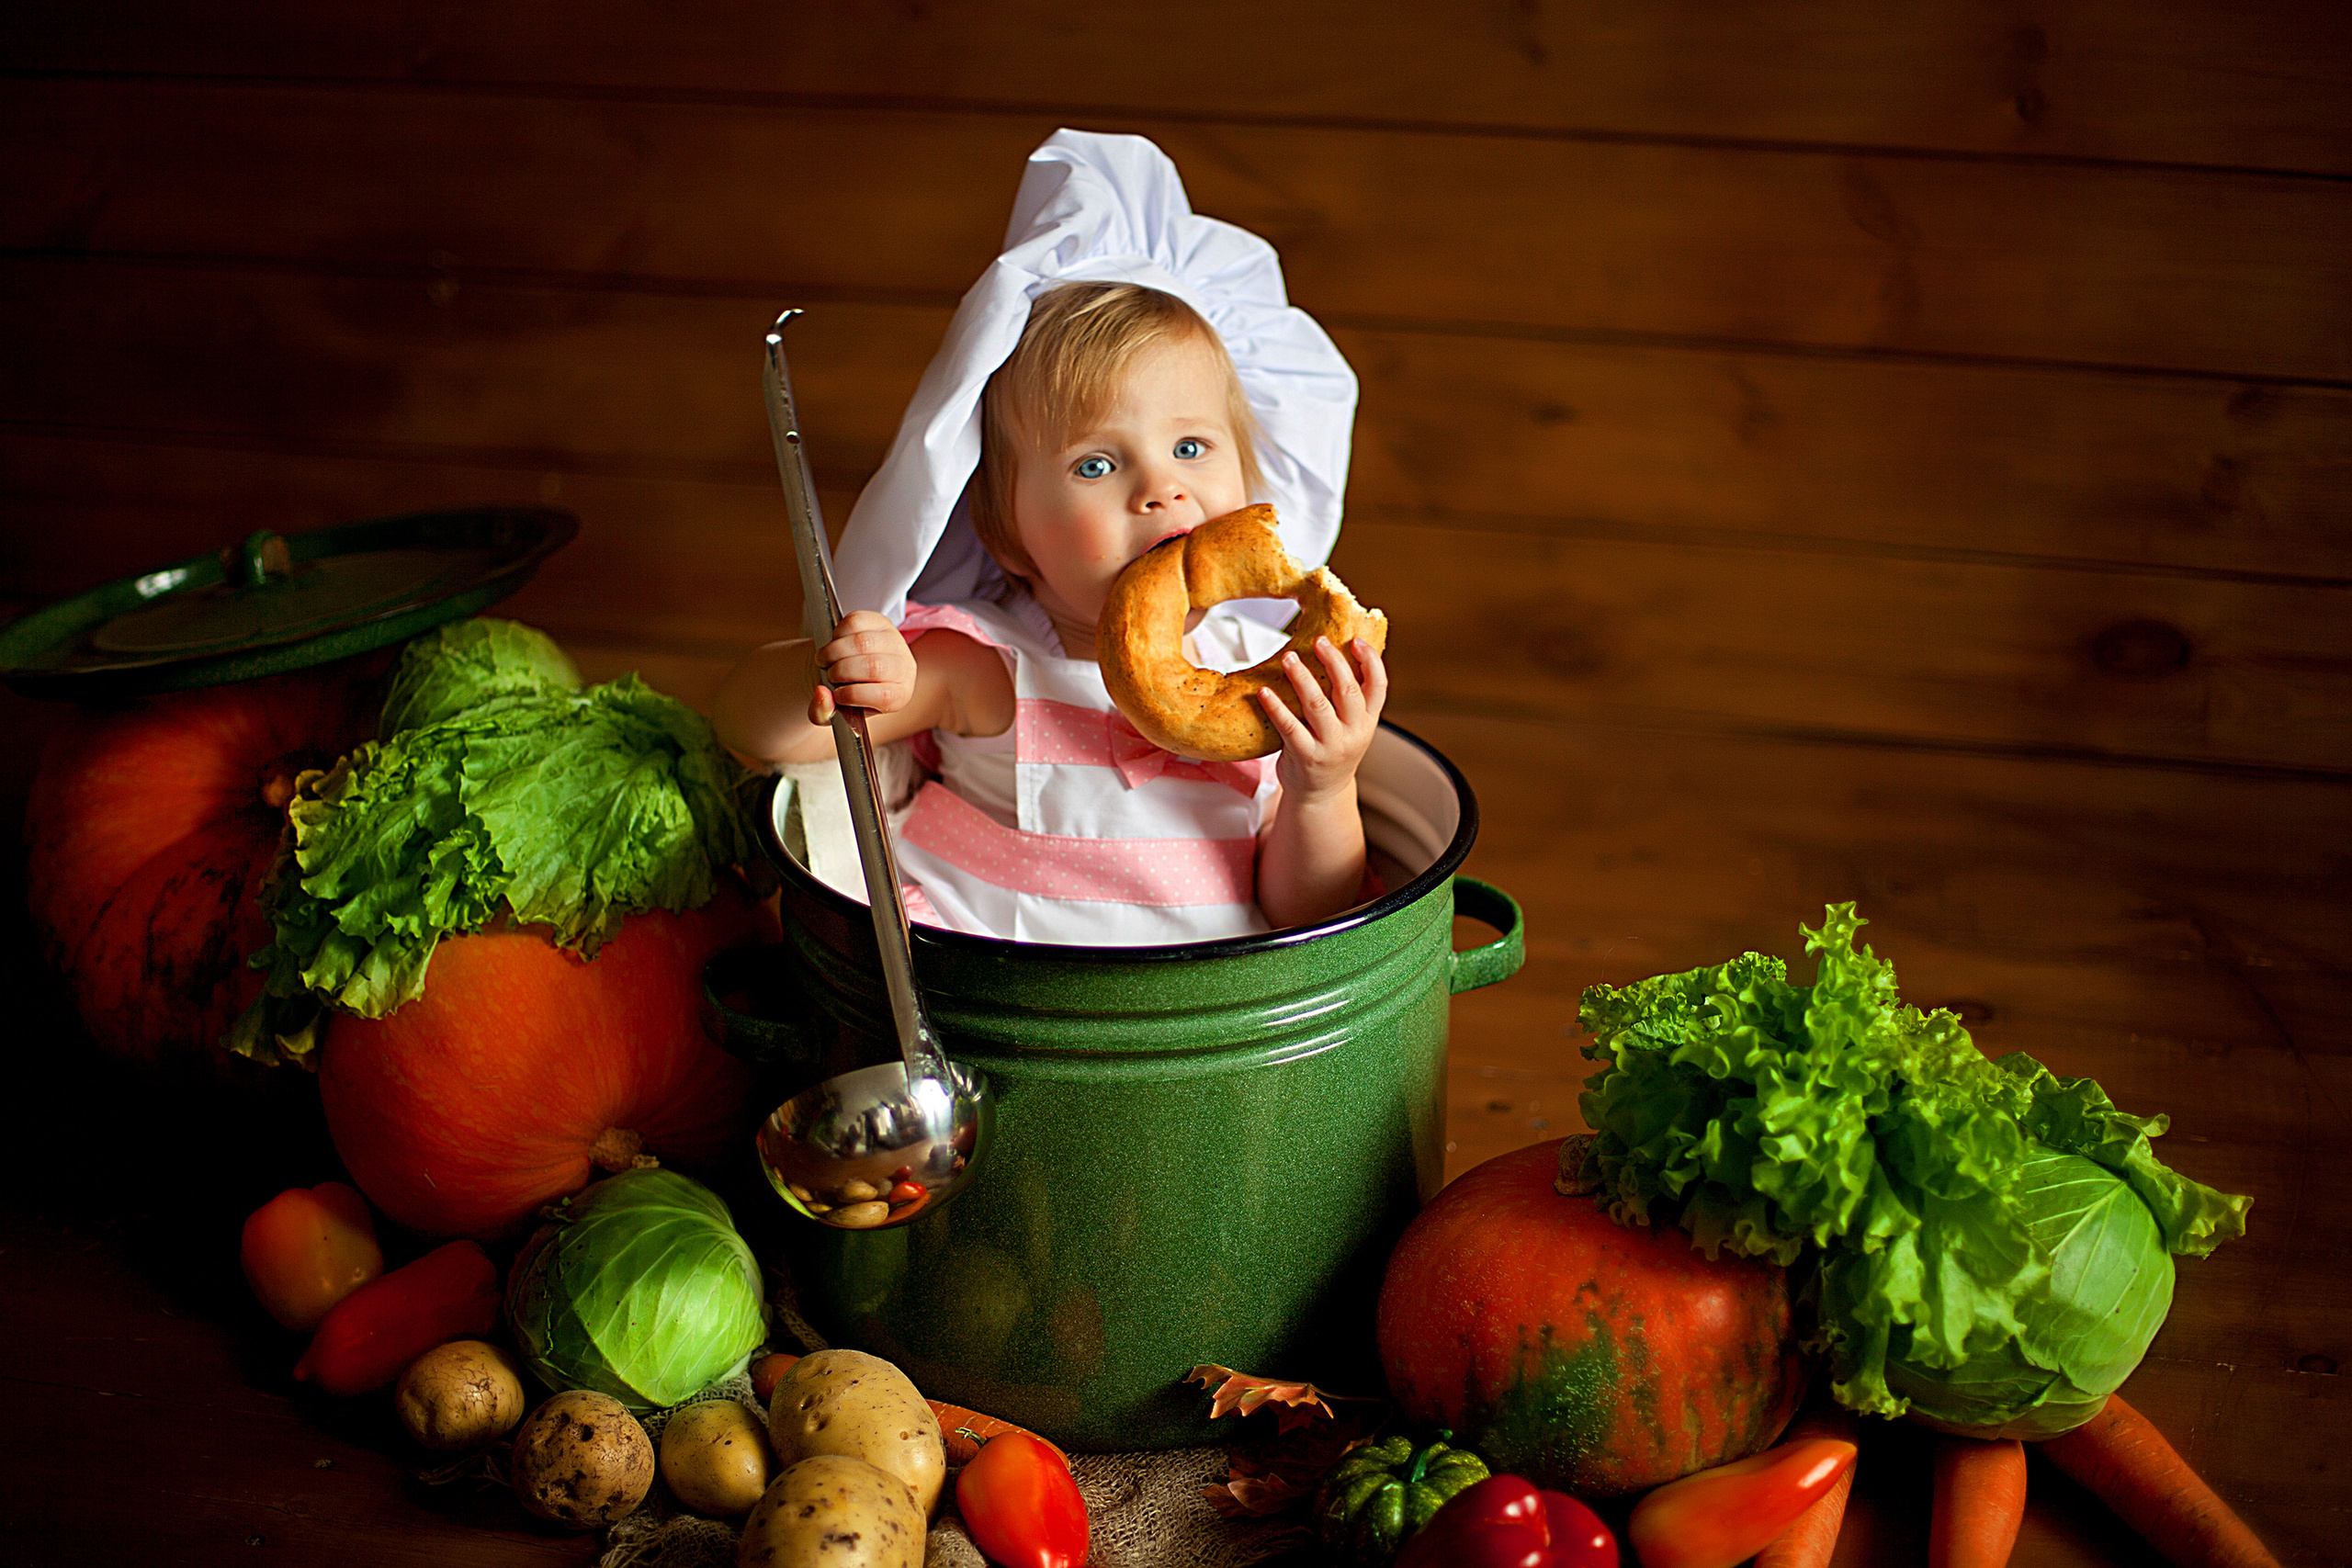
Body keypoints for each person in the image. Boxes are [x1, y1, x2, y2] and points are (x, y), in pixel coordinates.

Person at [714, 131, 1378, 944]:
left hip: (1198, 1043)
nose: (1161, 488)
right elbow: (752, 731)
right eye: (1096, 464)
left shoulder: (1265, 684)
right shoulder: (986, 668)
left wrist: (1322, 785)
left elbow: (1308, 916)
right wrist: (833, 671)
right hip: (986, 1020)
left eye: (1192, 448)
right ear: (1009, 537)